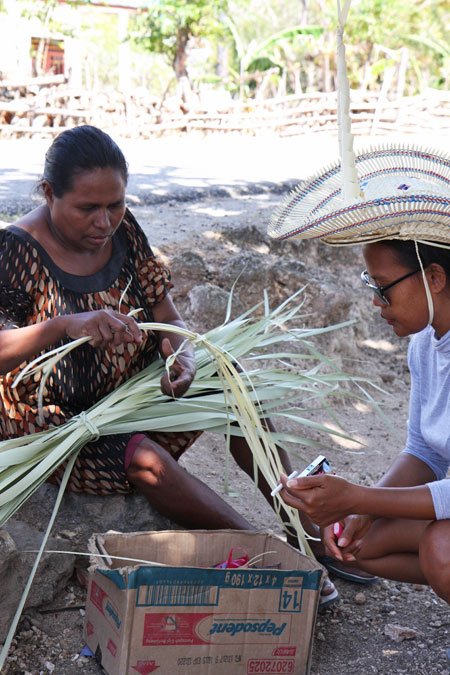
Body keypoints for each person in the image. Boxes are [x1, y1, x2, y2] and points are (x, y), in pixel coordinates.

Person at [1, 125, 348, 605]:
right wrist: (66, 324)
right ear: (48, 194)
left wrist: (179, 355)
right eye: (87, 208)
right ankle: (267, 555)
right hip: (58, 424)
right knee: (146, 461)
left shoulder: (125, 232)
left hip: (134, 396)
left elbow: (167, 316)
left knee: (235, 385)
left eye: (115, 204)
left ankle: (303, 529)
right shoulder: (14, 252)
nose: (104, 221)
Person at [268, 145, 450, 608]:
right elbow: (424, 450)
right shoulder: (426, 345)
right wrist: (356, 509)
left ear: (433, 278)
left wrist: (361, 497)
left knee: (441, 550)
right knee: (353, 542)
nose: (376, 302)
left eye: (382, 287)